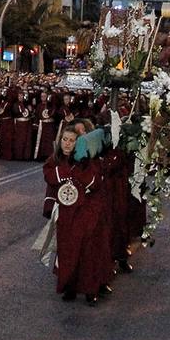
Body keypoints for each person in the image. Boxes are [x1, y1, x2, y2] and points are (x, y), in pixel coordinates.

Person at [46, 129, 114, 305]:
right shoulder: (56, 160)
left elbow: (95, 182)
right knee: (68, 252)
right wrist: (67, 171)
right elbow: (49, 175)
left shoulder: (87, 162)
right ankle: (70, 287)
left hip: (85, 213)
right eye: (64, 139)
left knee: (87, 252)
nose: (67, 144)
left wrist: (79, 168)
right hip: (66, 214)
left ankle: (90, 290)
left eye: (72, 140)